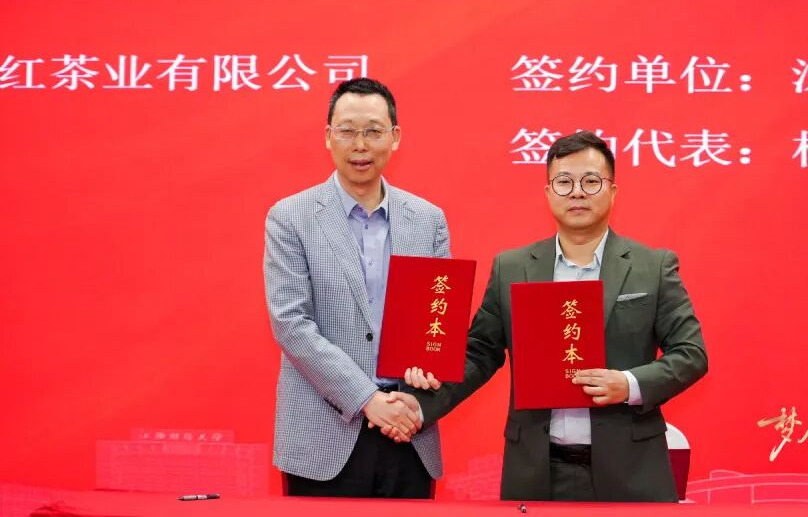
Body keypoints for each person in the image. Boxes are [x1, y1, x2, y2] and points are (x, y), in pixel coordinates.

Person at [403, 130, 707, 502]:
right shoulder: (513, 268)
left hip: (631, 473)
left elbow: (691, 354)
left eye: (591, 181)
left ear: (613, 191)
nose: (577, 192)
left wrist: (628, 384)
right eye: (564, 182)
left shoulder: (653, 266)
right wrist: (419, 405)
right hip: (537, 472)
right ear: (548, 193)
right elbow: (479, 353)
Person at [264, 77, 450, 498]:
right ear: (328, 137)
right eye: (347, 131)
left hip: (408, 430)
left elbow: (435, 322)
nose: (360, 144)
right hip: (323, 436)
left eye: (373, 131)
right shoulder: (290, 217)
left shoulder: (428, 220)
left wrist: (414, 401)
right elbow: (291, 324)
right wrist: (367, 398)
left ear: (395, 137)